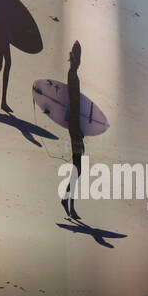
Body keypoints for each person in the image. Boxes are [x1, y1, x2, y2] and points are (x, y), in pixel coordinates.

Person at [62, 41, 84, 220]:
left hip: (76, 125)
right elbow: (73, 101)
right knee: (78, 167)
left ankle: (68, 201)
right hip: (74, 125)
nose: (80, 60)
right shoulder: (72, 75)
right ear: (75, 58)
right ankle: (69, 203)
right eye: (79, 56)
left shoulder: (73, 74)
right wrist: (77, 127)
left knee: (78, 167)